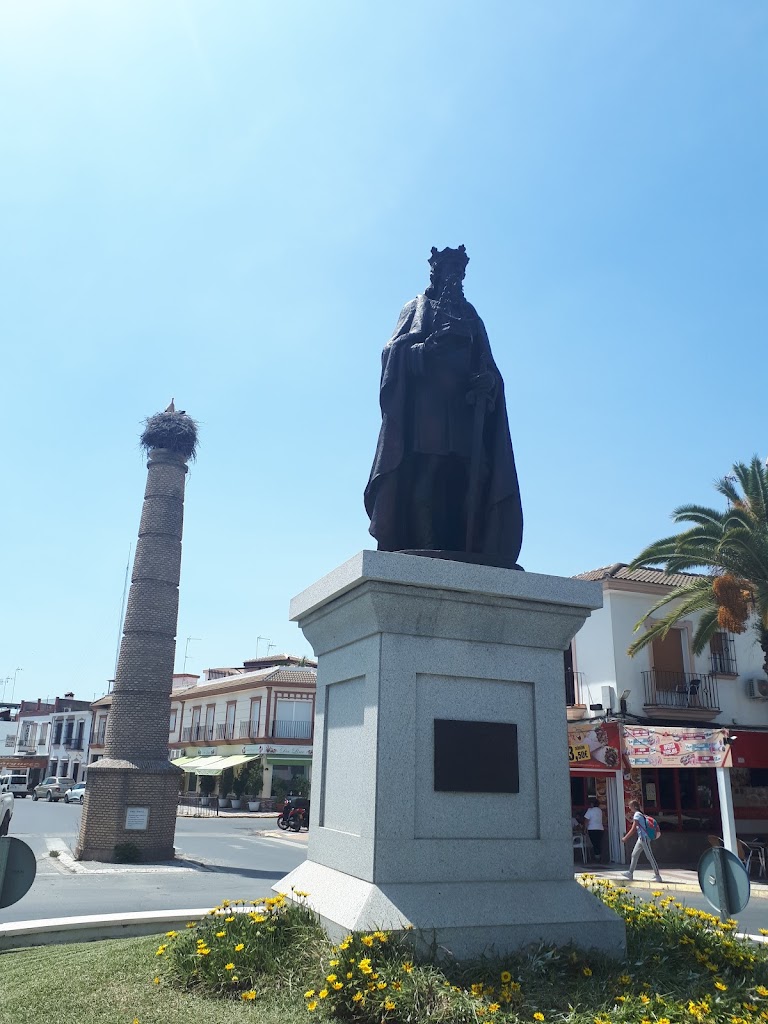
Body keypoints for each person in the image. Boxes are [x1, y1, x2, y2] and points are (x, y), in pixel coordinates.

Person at [364, 245, 523, 567]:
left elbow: (488, 365)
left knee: (470, 475)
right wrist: (425, 348)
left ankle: (468, 542)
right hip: (429, 410)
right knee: (429, 471)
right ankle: (426, 542)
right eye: (448, 271)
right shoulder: (417, 307)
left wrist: (488, 382)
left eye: (459, 272)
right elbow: (391, 353)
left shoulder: (470, 315)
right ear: (435, 272)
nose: (454, 278)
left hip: (465, 411)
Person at [621, 799, 663, 882]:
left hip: (644, 838)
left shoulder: (637, 815)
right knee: (634, 855)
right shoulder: (640, 814)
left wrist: (625, 838)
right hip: (641, 839)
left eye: (630, 806)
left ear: (633, 806)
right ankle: (630, 873)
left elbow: (633, 829)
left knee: (650, 856)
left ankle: (658, 876)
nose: (629, 808)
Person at [583, 797, 604, 862]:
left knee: (594, 843)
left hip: (592, 828)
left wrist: (585, 828)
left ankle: (597, 857)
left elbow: (586, 820)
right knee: (598, 843)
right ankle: (599, 856)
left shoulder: (590, 810)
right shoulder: (600, 811)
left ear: (592, 804)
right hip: (600, 828)